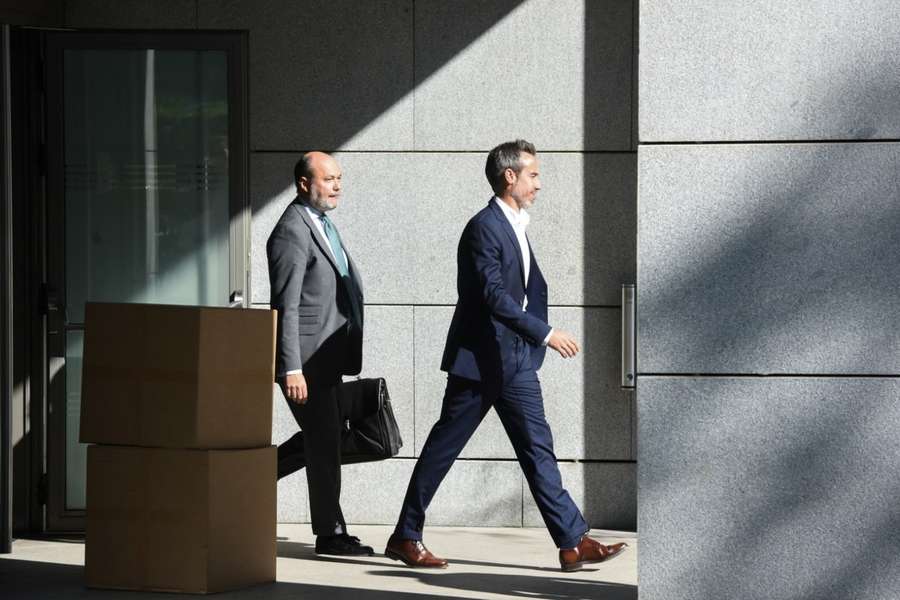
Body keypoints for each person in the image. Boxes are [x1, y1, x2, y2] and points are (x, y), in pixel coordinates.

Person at [385, 140, 627, 572]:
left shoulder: (514, 224)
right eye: (533, 174)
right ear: (509, 176)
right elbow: (493, 297)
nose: (539, 182)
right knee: (444, 448)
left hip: (514, 363)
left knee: (538, 448)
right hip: (479, 364)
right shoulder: (484, 227)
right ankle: (406, 536)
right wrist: (547, 333)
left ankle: (573, 540)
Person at [267, 151, 371, 556]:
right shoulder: (291, 231)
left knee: (322, 438)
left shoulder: (322, 225)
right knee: (326, 441)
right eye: (328, 179)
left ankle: (251, 476)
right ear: (304, 184)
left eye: (339, 178)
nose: (337, 185)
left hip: (328, 359)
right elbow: (286, 306)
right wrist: (290, 367)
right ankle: (330, 534)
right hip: (306, 363)